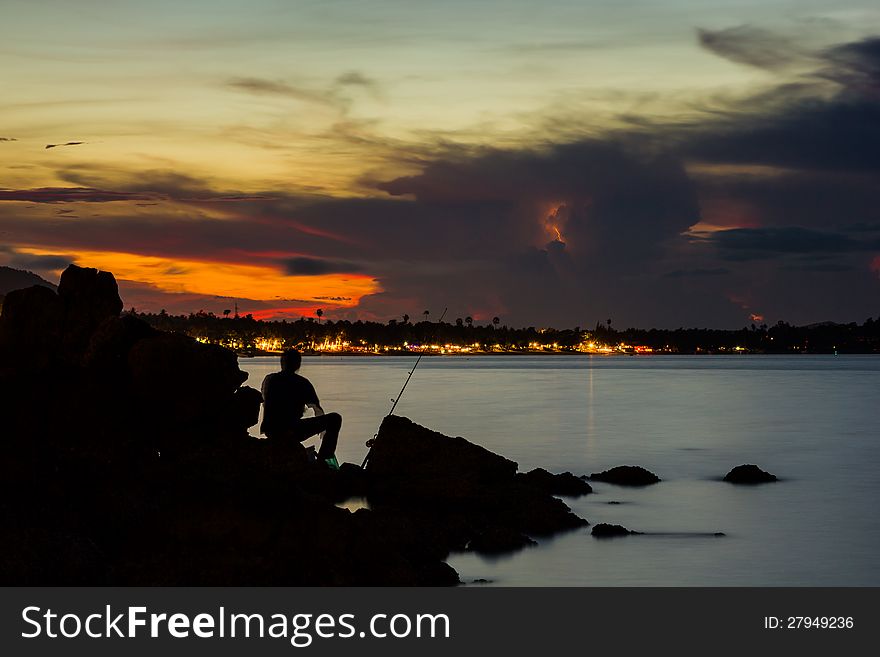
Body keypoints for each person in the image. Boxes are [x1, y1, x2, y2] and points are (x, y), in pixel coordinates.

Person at [260, 349, 342, 470]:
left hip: (270, 430)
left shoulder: (269, 379)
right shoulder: (302, 383)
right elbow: (317, 409)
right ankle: (324, 458)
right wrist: (323, 431)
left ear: (282, 363)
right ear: (298, 364)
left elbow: (265, 402)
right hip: (292, 430)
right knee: (335, 419)